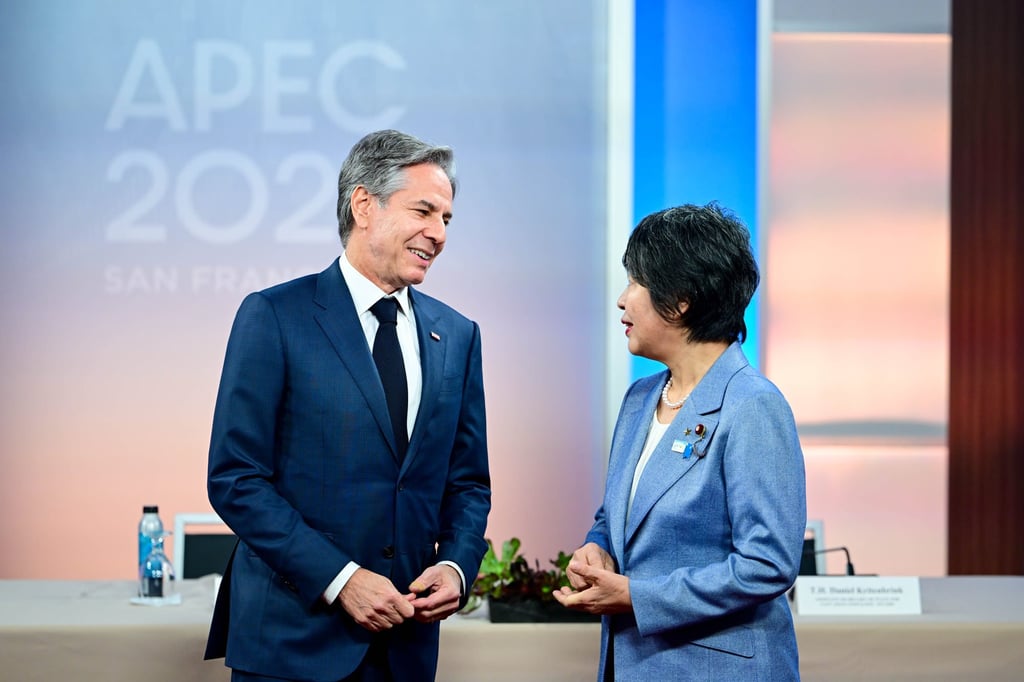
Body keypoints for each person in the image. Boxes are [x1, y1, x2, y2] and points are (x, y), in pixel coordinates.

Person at [204, 129, 491, 681]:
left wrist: (456, 566)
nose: (438, 234)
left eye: (447, 220)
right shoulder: (275, 316)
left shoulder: (458, 335)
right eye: (424, 211)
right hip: (291, 644)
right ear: (364, 204)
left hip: (404, 647)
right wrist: (341, 578)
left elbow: (468, 482)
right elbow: (236, 478)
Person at [553, 202, 806, 681]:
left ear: (681, 298)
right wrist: (597, 548)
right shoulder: (639, 399)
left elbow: (767, 564)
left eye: (635, 283)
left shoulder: (752, 406)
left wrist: (635, 596)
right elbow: (615, 518)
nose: (622, 300)